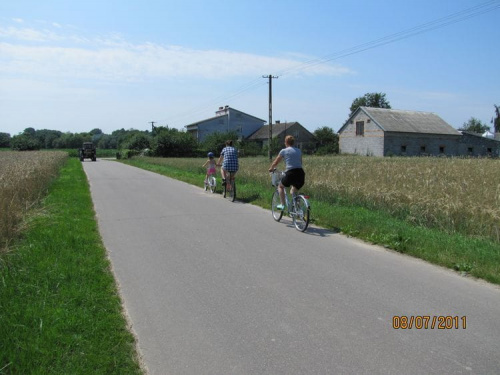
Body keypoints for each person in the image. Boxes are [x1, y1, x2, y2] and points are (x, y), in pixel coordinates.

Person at [268, 135, 305, 210]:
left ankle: (282, 204)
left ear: (286, 142)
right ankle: (297, 208)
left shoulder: (284, 151)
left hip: (291, 173)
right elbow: (300, 163)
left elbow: (276, 162)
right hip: (301, 173)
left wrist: (271, 168)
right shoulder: (298, 151)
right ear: (293, 142)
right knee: (293, 191)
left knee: (280, 186)